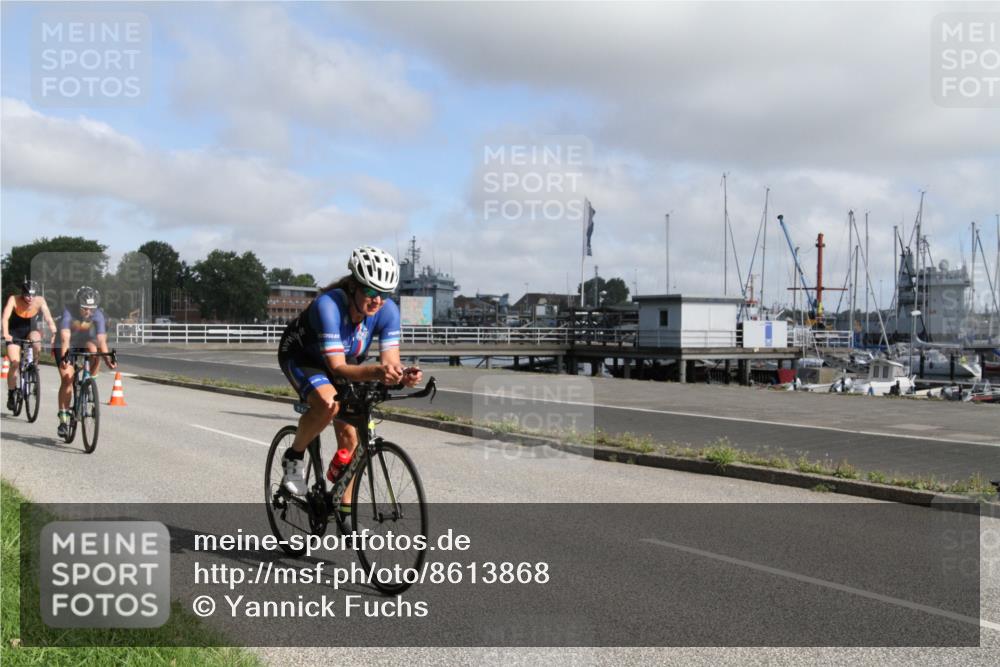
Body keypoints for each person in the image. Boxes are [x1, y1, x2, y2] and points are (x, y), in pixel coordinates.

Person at [278, 246, 422, 514]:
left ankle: (345, 513)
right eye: (370, 291)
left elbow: (390, 362)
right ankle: (294, 458)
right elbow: (338, 368)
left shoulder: (388, 311)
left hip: (345, 361)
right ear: (354, 285)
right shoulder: (328, 306)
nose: (377, 300)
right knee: (329, 403)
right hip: (303, 358)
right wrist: (378, 372)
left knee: (352, 438)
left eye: (384, 294)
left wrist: (402, 375)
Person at [56, 286, 116, 436]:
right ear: (78, 305)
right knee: (67, 379)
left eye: (92, 309)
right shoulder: (68, 311)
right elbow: (65, 338)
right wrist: (65, 357)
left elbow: (102, 341)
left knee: (95, 351)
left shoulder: (98, 315)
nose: (89, 312)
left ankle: (90, 381)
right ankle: (63, 419)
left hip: (84, 341)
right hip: (66, 344)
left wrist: (108, 359)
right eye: (85, 309)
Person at [2, 280, 57, 410]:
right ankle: (11, 393)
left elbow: (48, 317)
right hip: (14, 333)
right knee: (15, 363)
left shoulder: (40, 301)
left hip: (30, 331)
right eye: (27, 295)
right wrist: (5, 333)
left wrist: (54, 331)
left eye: (33, 295)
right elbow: (5, 318)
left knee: (36, 341)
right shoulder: (13, 299)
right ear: (22, 293)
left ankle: (33, 367)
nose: (30, 298)